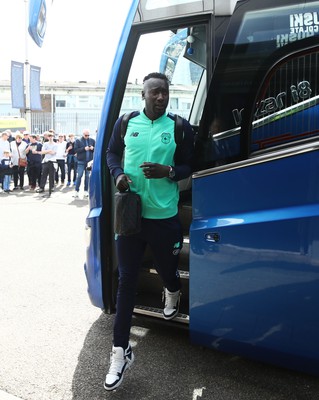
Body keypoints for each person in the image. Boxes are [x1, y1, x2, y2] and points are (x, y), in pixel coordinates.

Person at [105, 72, 194, 391]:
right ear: (142, 95)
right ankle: (120, 352)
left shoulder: (179, 126)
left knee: (168, 268)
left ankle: (172, 290)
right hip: (130, 215)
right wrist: (117, 175)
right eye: (154, 92)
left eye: (165, 92)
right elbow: (111, 153)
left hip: (164, 215)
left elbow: (189, 165)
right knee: (127, 280)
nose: (160, 97)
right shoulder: (126, 122)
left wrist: (169, 172)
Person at [73, 129, 95, 198]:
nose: (87, 136)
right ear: (83, 134)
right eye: (86, 135)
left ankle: (86, 191)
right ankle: (76, 191)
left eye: (88, 135)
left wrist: (92, 148)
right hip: (81, 161)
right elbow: (76, 150)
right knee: (79, 176)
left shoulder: (92, 140)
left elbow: (96, 149)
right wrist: (84, 149)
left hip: (89, 162)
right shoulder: (78, 140)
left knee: (87, 177)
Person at [36, 131, 57, 195]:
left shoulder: (55, 144)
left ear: (53, 137)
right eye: (49, 136)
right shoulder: (45, 144)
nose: (50, 137)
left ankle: (52, 187)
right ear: (48, 137)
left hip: (53, 161)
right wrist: (49, 151)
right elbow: (42, 152)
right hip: (46, 161)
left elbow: (54, 152)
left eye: (52, 136)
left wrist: (46, 151)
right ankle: (42, 187)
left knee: (52, 175)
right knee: (44, 175)